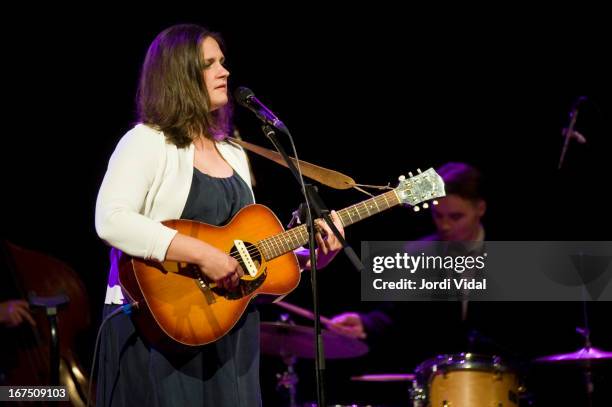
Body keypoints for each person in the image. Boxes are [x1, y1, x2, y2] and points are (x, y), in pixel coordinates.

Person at [94, 24, 343, 407]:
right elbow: (111, 219)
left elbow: (242, 257)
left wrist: (310, 261)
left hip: (229, 336)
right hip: (158, 331)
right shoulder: (146, 141)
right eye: (209, 64)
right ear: (179, 76)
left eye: (222, 62)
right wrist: (201, 254)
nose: (224, 71)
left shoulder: (234, 154)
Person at [329, 162, 486, 341]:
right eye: (438, 215)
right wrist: (365, 323)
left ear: (480, 209)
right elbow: (395, 313)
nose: (445, 225)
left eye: (456, 217)